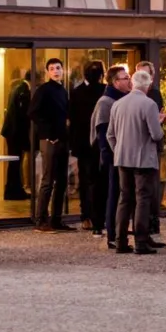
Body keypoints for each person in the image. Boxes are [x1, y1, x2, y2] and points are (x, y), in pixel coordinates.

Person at [106, 70, 165, 255]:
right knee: (142, 200)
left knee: (125, 199)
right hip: (143, 159)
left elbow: (110, 135)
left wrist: (118, 151)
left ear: (132, 84)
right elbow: (156, 135)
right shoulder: (149, 104)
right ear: (148, 85)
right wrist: (160, 122)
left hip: (123, 158)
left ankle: (120, 241)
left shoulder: (118, 104)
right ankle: (141, 242)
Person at [30, 58, 72, 232]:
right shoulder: (43, 90)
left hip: (62, 139)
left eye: (58, 68)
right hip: (49, 140)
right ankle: (40, 220)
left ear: (63, 70)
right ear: (47, 72)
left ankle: (56, 219)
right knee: (47, 180)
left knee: (62, 180)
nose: (55, 71)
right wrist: (48, 134)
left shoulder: (63, 90)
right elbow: (33, 113)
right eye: (52, 68)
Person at [90, 65, 131, 247]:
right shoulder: (106, 102)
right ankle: (112, 234)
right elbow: (103, 134)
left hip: (121, 154)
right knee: (112, 194)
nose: (129, 80)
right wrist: (110, 157)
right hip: (112, 156)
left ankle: (119, 231)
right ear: (115, 82)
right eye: (125, 78)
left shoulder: (123, 99)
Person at [69, 60, 105, 232]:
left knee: (94, 181)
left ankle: (94, 216)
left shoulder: (99, 91)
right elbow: (73, 120)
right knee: (89, 180)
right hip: (88, 143)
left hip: (95, 143)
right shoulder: (78, 92)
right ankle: (88, 215)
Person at [135, 61, 164, 236]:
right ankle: (140, 228)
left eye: (145, 74)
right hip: (135, 149)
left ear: (152, 77)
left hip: (151, 147)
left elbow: (156, 127)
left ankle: (151, 224)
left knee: (151, 188)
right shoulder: (130, 97)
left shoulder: (154, 95)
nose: (142, 78)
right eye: (139, 74)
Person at [1, 72, 32, 201]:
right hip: (15, 132)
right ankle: (13, 191)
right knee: (15, 161)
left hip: (12, 131)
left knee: (14, 161)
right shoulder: (23, 91)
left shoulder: (17, 88)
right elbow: (23, 114)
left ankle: (14, 189)